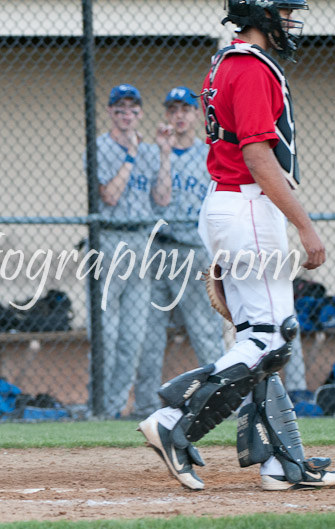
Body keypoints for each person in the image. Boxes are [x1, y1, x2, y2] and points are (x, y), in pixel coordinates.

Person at [138, 0, 335, 492]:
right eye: (284, 12)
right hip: (247, 205)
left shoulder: (229, 60)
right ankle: (173, 418)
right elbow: (257, 154)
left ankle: (279, 464)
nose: (292, 22)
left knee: (264, 340)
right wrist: (306, 228)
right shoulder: (249, 66)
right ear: (262, 14)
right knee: (270, 339)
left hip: (233, 205)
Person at [133, 87, 223, 417]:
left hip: (194, 251)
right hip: (159, 251)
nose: (179, 115)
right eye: (173, 109)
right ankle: (144, 407)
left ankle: (219, 400)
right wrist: (165, 153)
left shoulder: (208, 154)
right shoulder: (158, 153)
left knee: (204, 331)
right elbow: (157, 199)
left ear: (197, 113)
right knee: (149, 335)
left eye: (185, 109)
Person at [88, 83, 171, 419]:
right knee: (106, 335)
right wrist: (132, 156)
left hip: (141, 243)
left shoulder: (152, 152)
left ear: (140, 112)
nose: (126, 114)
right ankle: (100, 409)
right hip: (109, 241)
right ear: (110, 112)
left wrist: (164, 155)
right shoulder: (99, 148)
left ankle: (114, 408)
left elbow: (163, 199)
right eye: (119, 108)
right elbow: (109, 195)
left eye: (132, 109)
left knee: (132, 338)